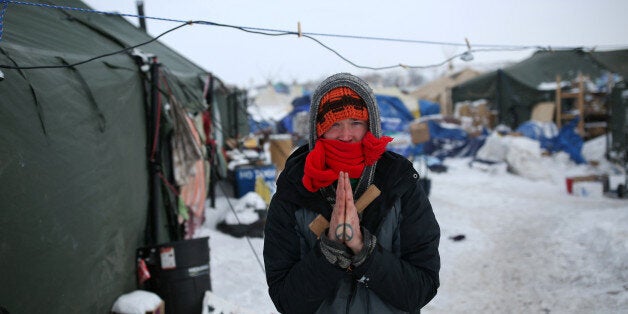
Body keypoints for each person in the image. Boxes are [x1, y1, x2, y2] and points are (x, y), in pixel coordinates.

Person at [263, 73, 440, 313]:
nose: (346, 135)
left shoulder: (399, 182)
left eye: (356, 122)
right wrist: (330, 251)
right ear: (318, 130)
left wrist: (364, 250)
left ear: (371, 125)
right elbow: (287, 300)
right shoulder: (293, 189)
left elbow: (421, 288)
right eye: (334, 124)